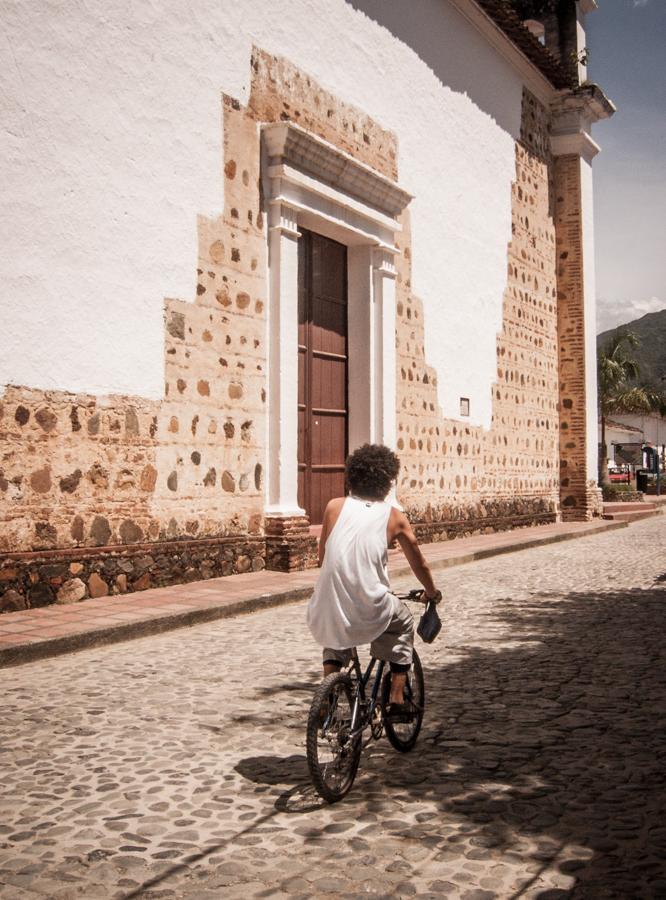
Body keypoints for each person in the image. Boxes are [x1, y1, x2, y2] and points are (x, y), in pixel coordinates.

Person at [306, 443, 441, 719]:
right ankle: (396, 696)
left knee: (337, 621)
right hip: (372, 605)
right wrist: (431, 591)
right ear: (387, 482)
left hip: (326, 604)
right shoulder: (395, 518)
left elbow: (322, 558)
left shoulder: (334, 507)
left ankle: (327, 693)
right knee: (403, 623)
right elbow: (419, 562)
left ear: (351, 478)